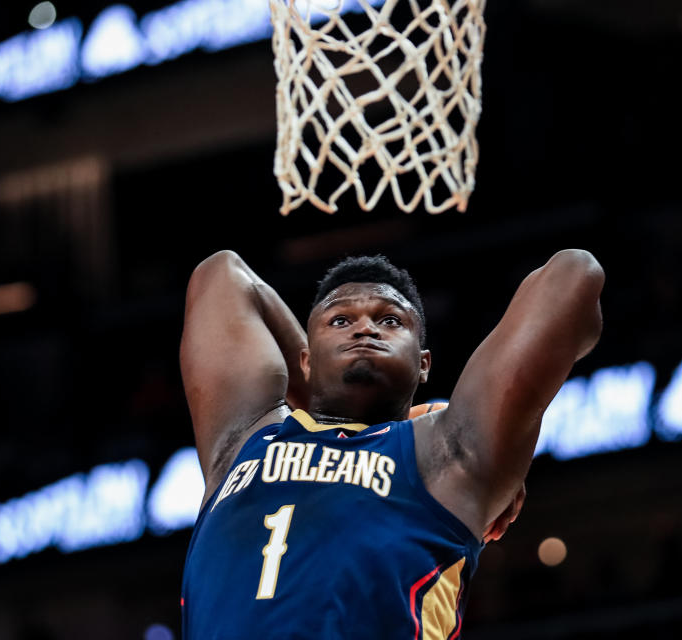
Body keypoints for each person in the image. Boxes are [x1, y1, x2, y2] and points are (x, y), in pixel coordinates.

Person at [179, 249, 604, 638]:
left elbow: (573, 275)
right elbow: (223, 275)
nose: (365, 326)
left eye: (390, 320)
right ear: (304, 360)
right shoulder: (242, 440)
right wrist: (335, 418)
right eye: (340, 321)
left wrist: (434, 421)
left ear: (423, 364)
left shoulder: (448, 454)